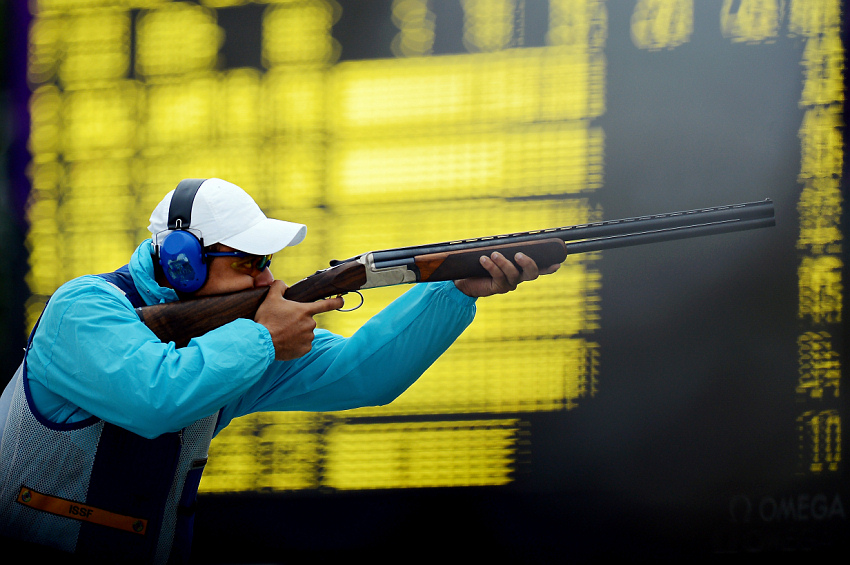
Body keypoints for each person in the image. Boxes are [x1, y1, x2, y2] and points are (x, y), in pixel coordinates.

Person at [0, 178, 558, 563]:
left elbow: (366, 376)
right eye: (248, 262)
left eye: (266, 261)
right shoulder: (83, 308)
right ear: (180, 262)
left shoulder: (237, 340)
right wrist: (263, 338)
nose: (268, 280)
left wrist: (452, 290)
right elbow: (155, 398)